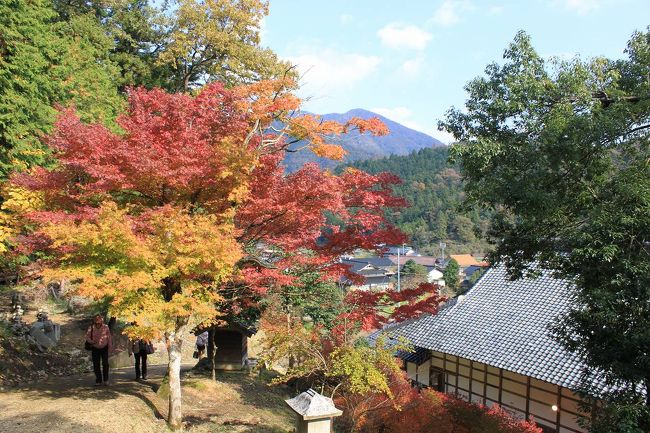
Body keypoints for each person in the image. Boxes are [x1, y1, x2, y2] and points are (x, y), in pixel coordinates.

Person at [86, 314, 112, 386]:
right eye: (96, 319)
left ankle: (106, 380)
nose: (98, 320)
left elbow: (109, 337)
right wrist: (92, 342)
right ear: (94, 320)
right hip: (95, 348)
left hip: (104, 348)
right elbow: (87, 337)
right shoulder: (91, 327)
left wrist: (110, 346)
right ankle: (98, 380)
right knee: (96, 365)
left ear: (102, 320)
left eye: (99, 318)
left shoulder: (106, 327)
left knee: (105, 364)